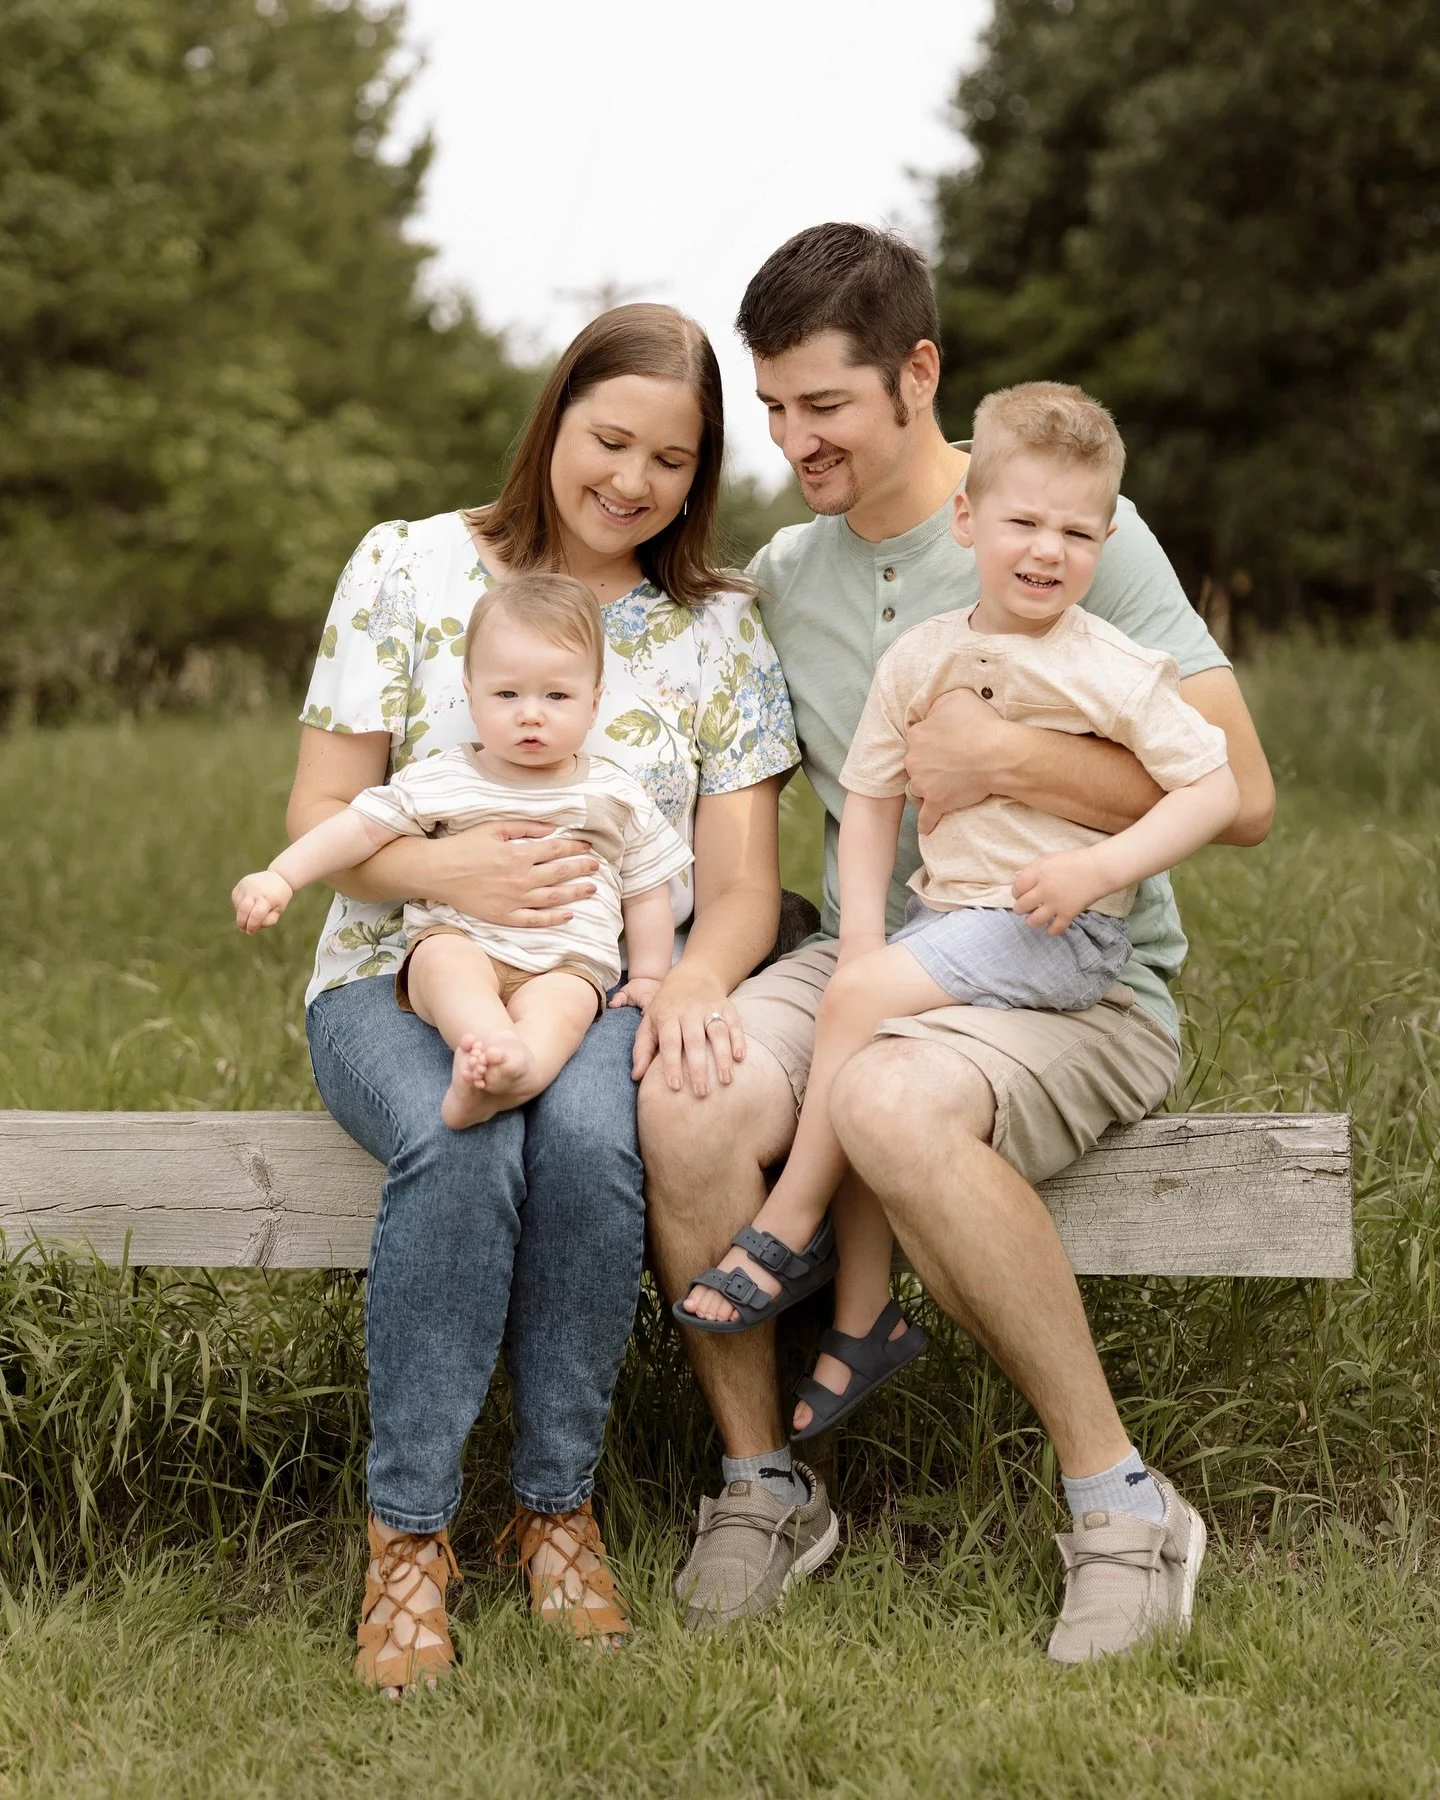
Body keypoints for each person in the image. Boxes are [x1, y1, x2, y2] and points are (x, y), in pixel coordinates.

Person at [640, 226, 1276, 1661]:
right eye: (775, 407)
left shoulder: (1055, 527)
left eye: (826, 406)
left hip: (1078, 976)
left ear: (918, 373)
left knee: (889, 1096)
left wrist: (1000, 760)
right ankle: (764, 1484)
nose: (794, 439)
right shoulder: (788, 576)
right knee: (688, 1085)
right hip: (885, 948)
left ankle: (1122, 1506)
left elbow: (1243, 797)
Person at [292, 304, 799, 1691]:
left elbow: (742, 885)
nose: (634, 479)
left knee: (582, 1138)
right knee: (461, 1137)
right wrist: (457, 866)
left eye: (674, 458)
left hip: (602, 979)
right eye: (610, 438)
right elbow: (324, 813)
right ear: (555, 422)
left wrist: (688, 976)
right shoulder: (407, 568)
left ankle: (556, 1507)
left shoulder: (717, 629)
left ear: (702, 475)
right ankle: (408, 1541)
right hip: (397, 975)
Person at [672, 382, 1238, 1465]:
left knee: (863, 1004)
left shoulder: (1107, 665)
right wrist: (873, 944)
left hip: (1061, 937)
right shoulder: (923, 655)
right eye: (1023, 523)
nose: (1048, 551)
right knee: (871, 1022)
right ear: (969, 522)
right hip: (953, 923)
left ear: (1105, 541)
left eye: (1077, 532)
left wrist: (1103, 865)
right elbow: (875, 797)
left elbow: (1215, 790)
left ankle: (788, 1227)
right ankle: (860, 1318)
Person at [235, 575, 691, 1130]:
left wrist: (648, 975)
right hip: (460, 939)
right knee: (444, 967)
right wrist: (281, 877)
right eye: (507, 694)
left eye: (556, 696)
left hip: (565, 963)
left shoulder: (615, 794)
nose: (531, 713)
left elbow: (647, 891)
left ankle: (519, 1070)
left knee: (564, 1011)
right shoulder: (446, 777)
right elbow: (357, 828)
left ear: (593, 703)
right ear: (470, 695)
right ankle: (487, 1047)